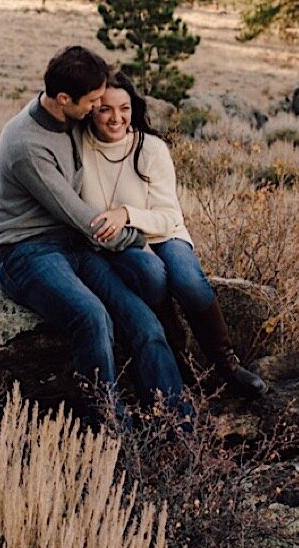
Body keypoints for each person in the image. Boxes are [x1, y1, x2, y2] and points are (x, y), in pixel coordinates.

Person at [0, 45, 188, 422]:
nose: (98, 107)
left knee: (144, 324)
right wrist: (137, 238)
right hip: (26, 253)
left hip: (73, 245)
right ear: (64, 99)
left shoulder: (69, 116)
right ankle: (112, 433)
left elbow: (118, 133)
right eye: (94, 100)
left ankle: (178, 425)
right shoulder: (27, 146)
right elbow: (83, 218)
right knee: (92, 317)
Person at [79, 74, 267, 397]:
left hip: (163, 233)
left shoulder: (150, 148)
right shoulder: (79, 147)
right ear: (92, 110)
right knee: (151, 274)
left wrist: (126, 214)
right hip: (120, 244)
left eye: (124, 108)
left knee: (188, 280)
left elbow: (168, 218)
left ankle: (227, 365)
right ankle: (181, 361)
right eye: (106, 109)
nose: (116, 118)